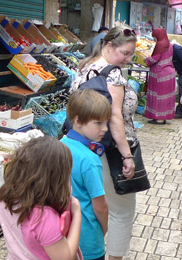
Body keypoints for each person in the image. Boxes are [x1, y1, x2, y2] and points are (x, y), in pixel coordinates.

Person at [70, 25, 138, 260]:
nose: (127, 60)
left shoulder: (84, 66)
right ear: (110, 46)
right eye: (125, 53)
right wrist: (127, 156)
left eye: (131, 55)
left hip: (83, 147)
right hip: (111, 151)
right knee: (122, 211)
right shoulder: (113, 74)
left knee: (87, 204)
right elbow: (115, 117)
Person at [0, 136, 83, 260]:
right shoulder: (43, 218)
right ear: (56, 179)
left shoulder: (6, 196)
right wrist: (77, 215)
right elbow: (66, 257)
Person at [61, 89, 111, 260]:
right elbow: (100, 206)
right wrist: (103, 229)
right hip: (88, 240)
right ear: (78, 121)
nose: (104, 129)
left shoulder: (58, 147)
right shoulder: (90, 160)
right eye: (98, 123)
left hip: (62, 236)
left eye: (106, 123)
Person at [144, 28, 181, 124]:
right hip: (169, 73)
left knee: (158, 96)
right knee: (166, 97)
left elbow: (155, 59)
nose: (154, 39)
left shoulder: (160, 45)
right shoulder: (169, 45)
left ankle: (159, 119)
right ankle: (163, 117)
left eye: (154, 37)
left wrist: (146, 60)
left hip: (159, 74)